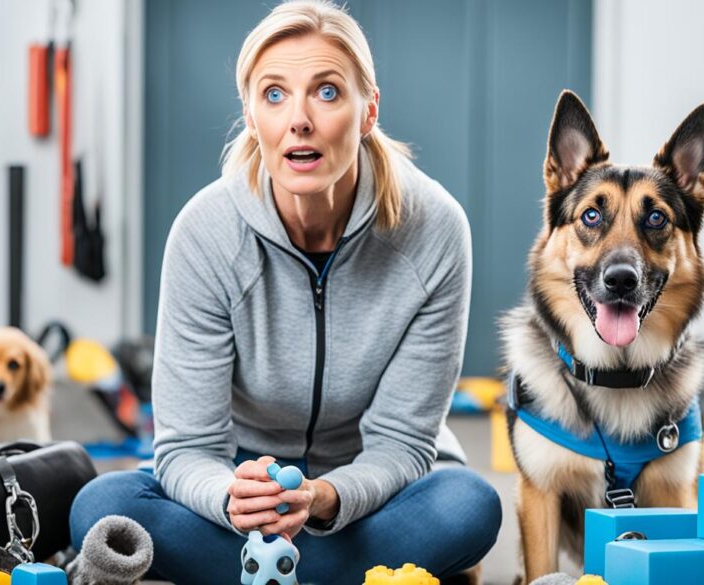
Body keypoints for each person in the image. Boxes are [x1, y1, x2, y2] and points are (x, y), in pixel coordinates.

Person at [69, 1, 502, 583]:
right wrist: (230, 496)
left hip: (369, 496)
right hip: (242, 498)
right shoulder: (205, 232)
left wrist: (326, 496)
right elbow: (186, 448)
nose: (299, 119)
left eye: (327, 92)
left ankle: (270, 573)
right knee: (101, 508)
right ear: (251, 116)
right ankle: (329, 572)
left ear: (368, 110)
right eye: (274, 95)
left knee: (469, 505)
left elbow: (403, 442)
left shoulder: (435, 230)